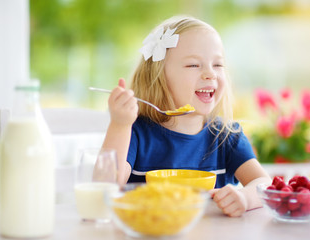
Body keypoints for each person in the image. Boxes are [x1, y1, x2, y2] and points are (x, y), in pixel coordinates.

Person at [101, 15, 271, 217]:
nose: (211, 74)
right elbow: (105, 188)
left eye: (218, 65)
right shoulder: (135, 133)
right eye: (193, 65)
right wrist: (119, 126)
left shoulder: (227, 137)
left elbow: (265, 184)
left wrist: (244, 198)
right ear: (158, 77)